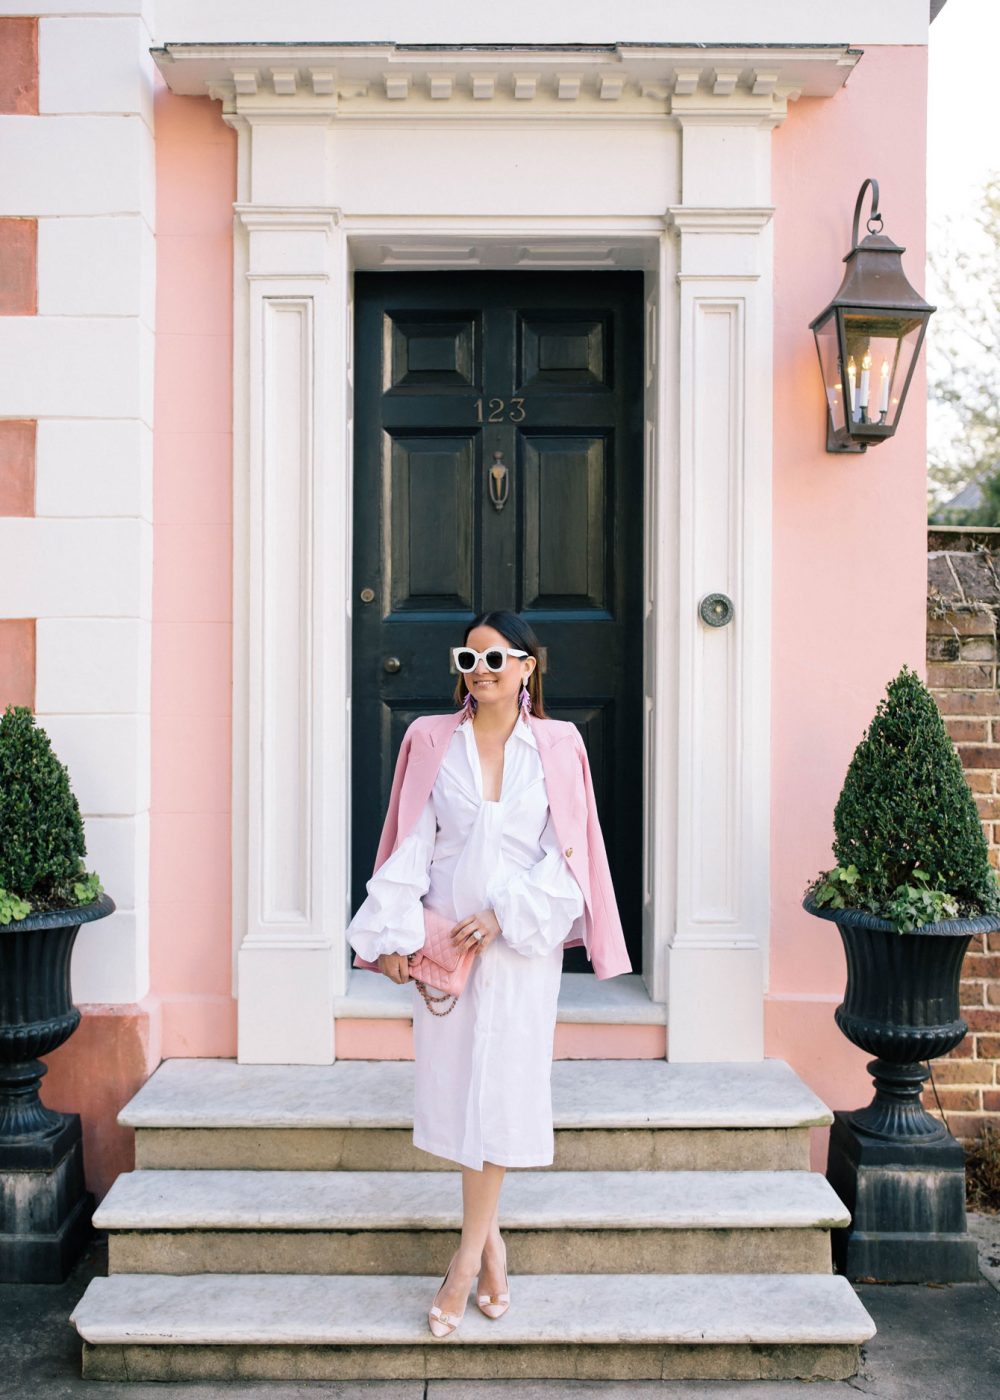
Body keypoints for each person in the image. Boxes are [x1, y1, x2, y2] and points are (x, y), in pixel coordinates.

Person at [346, 610, 630, 1338]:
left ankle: (465, 1262)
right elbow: (411, 844)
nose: (482, 671)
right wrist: (393, 937)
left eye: (498, 659)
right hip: (447, 945)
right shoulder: (429, 740)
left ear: (529, 667)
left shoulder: (560, 747)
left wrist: (504, 914)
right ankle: (494, 1246)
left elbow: (569, 852)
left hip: (519, 947)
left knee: (501, 1095)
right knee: (456, 1095)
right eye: (469, 660)